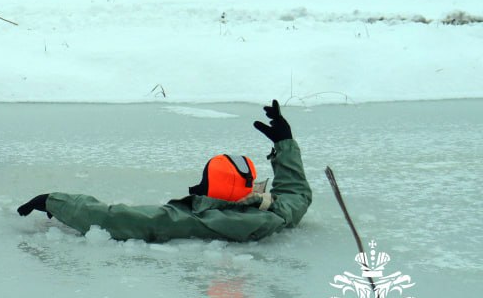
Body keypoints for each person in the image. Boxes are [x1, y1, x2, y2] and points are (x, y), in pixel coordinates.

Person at [17, 100, 312, 243]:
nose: (198, 186)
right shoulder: (273, 213)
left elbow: (118, 219)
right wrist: (285, 144)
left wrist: (55, 201)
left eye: (205, 181)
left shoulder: (198, 220)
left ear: (216, 190)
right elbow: (297, 195)